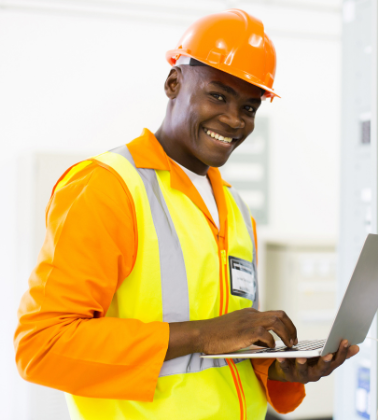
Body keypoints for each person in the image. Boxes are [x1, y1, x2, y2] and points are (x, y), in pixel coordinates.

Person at [14, 8, 359, 420]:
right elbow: (41, 346)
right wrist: (202, 335)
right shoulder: (108, 187)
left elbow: (226, 353)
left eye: (249, 108)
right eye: (218, 95)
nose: (233, 120)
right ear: (174, 82)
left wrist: (283, 371)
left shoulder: (234, 208)